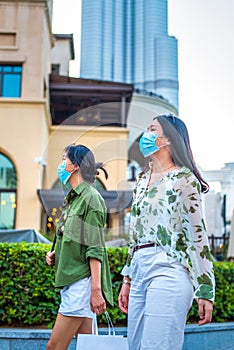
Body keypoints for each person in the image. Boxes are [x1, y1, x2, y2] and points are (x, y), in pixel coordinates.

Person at [118, 114, 215, 350]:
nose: (146, 135)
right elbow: (135, 234)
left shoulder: (184, 178)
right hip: (139, 270)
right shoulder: (141, 180)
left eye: (152, 130)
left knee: (157, 345)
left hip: (169, 268)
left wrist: (206, 288)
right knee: (135, 345)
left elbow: (197, 234)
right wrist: (127, 278)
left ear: (168, 139)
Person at [46, 144, 113, 350]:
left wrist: (96, 290)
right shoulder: (73, 198)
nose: (61, 164)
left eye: (64, 159)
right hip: (74, 282)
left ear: (75, 165)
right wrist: (57, 254)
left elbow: (94, 247)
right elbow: (75, 239)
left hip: (81, 284)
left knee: (54, 347)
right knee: (87, 346)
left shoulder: (91, 198)